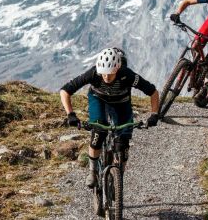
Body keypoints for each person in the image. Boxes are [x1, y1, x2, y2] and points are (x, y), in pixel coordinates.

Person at [59, 47, 160, 187]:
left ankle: (119, 178)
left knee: (122, 142)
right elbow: (65, 91)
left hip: (121, 102)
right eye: (103, 74)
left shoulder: (127, 75)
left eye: (110, 74)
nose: (106, 77)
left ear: (118, 68)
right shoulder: (93, 73)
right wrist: (70, 114)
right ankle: (92, 172)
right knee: (99, 132)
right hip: (98, 100)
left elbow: (153, 92)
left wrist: (154, 115)